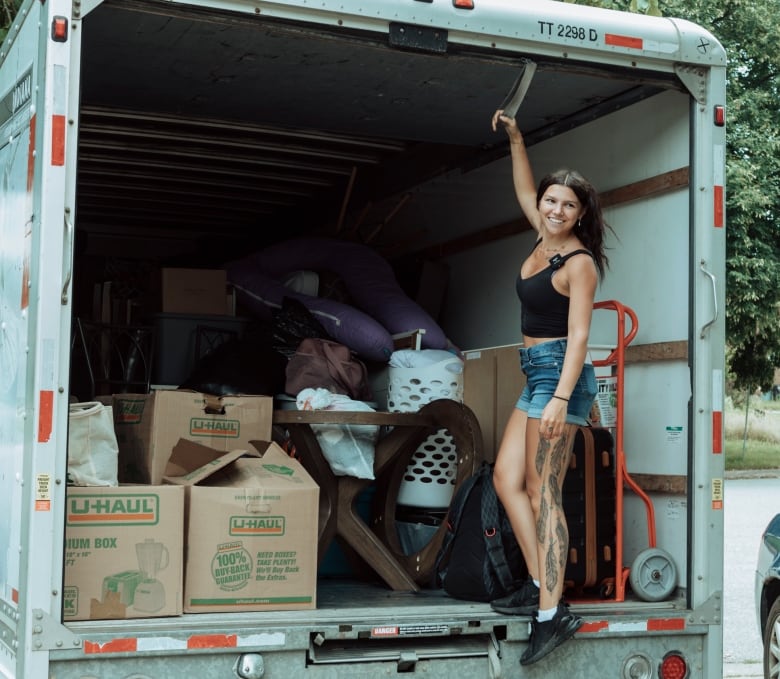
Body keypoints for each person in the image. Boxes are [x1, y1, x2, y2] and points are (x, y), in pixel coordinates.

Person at [489, 109, 610, 665]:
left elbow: (582, 335)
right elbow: (520, 185)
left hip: (561, 375)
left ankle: (550, 613)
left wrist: (562, 399)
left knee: (543, 491)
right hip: (533, 372)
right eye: (551, 200)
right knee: (505, 478)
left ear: (582, 214)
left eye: (568, 204)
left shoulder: (579, 262)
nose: (556, 210)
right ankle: (543, 584)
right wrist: (517, 136)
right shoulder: (541, 238)